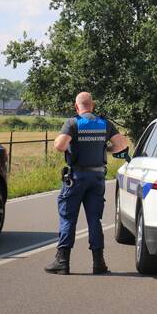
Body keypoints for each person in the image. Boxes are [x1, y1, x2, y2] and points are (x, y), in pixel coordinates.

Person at [44, 92, 129, 275]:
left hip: (76, 177)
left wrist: (69, 143)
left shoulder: (73, 123)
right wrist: (105, 149)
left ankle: (62, 262)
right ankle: (99, 263)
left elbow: (59, 146)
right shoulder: (105, 124)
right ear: (93, 105)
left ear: (77, 107)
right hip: (97, 178)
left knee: (68, 218)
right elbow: (121, 145)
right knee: (94, 220)